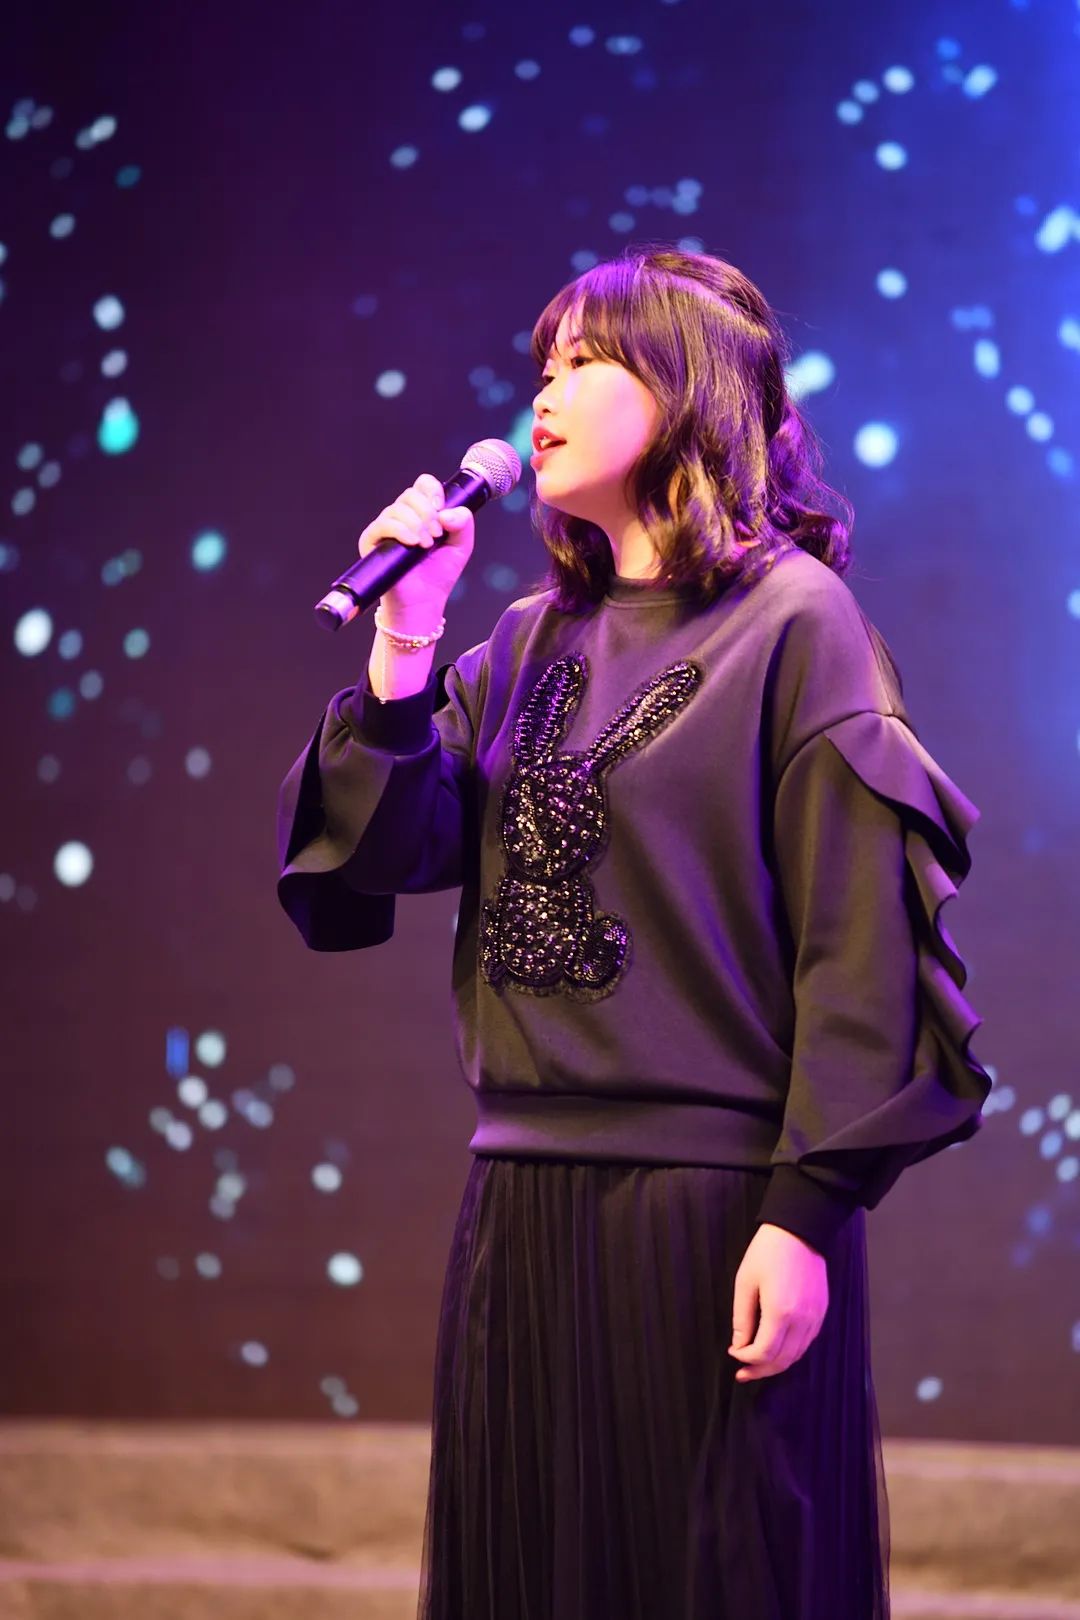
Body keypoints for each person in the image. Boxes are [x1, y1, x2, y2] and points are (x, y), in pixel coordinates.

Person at [276, 246, 991, 1620]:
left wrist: (805, 1216)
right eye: (540, 368)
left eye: (585, 363)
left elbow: (858, 941)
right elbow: (379, 854)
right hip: (525, 1202)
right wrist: (407, 643)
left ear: (687, 390)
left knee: (714, 1573)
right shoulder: (528, 640)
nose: (542, 397)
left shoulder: (795, 623)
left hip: (714, 1206)